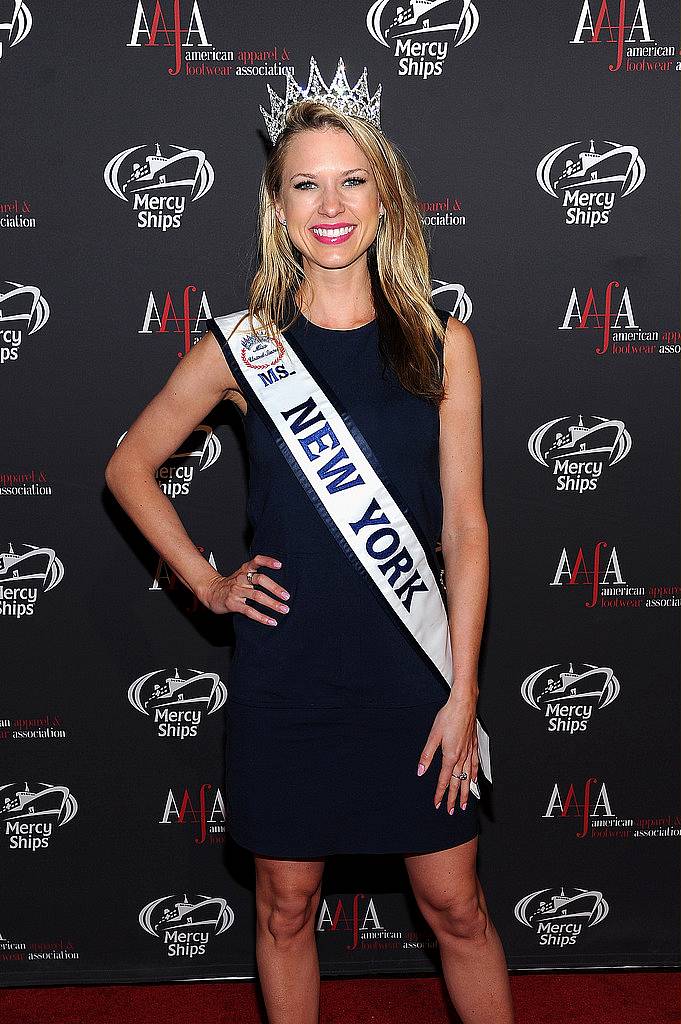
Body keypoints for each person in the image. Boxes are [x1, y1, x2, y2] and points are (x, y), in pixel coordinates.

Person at [105, 55, 515, 1024]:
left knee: (456, 907)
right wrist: (205, 583)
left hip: (415, 674)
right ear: (278, 206)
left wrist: (465, 692)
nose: (330, 205)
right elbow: (128, 466)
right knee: (286, 907)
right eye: (305, 184)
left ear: (386, 195)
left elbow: (467, 526)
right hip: (289, 675)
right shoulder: (243, 345)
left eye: (351, 180)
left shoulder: (442, 341)